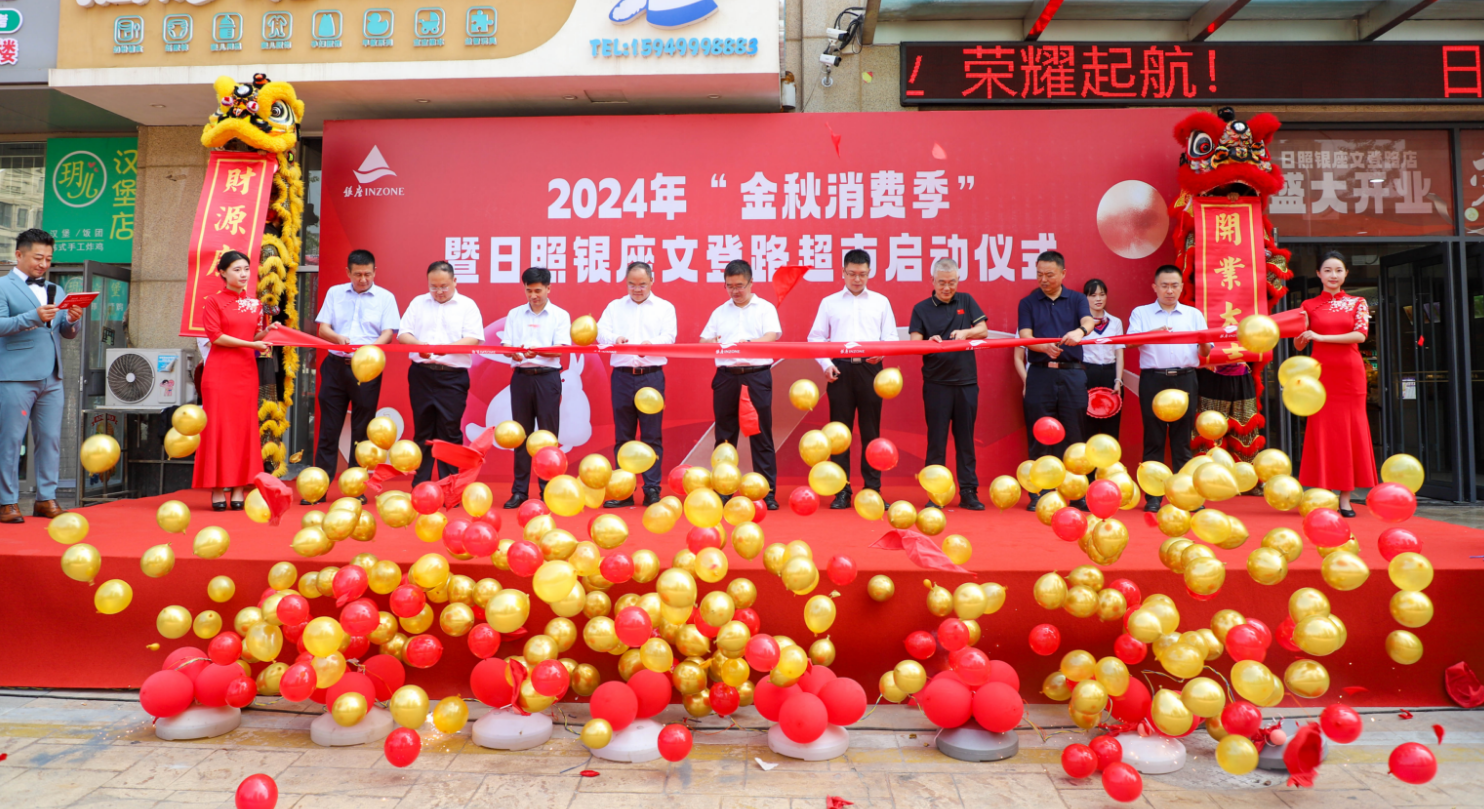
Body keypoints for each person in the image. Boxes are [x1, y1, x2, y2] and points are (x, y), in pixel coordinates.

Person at [807, 249, 899, 509]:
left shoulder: (881, 302)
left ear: (869, 273)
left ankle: (873, 489)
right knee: (839, 434)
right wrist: (826, 364)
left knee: (871, 432)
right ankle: (841, 491)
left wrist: (881, 352)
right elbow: (815, 338)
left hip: (871, 370)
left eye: (862, 274)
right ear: (843, 273)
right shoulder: (829, 303)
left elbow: (891, 337)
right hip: (840, 371)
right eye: (852, 274)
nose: (857, 279)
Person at [0, 229, 81, 523]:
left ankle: (46, 498)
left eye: (48, 259)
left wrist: (72, 321)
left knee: (50, 439)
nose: (43, 264)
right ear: (18, 255)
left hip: (52, 375)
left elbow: (64, 332)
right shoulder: (3, 286)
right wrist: (33, 316)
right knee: (10, 440)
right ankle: (6, 501)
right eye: (38, 258)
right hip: (15, 375)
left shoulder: (56, 289)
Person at [309, 249, 399, 499]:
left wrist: (370, 350)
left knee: (361, 431)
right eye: (357, 274)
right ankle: (317, 488)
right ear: (348, 272)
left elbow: (388, 333)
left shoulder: (385, 297)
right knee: (329, 429)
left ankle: (355, 488)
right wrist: (338, 338)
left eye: (367, 274)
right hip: (336, 366)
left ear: (375, 272)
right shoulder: (335, 293)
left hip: (367, 369)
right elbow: (323, 328)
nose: (363, 279)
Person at [195, 251, 279, 510]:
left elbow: (253, 335)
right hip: (219, 372)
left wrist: (267, 331)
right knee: (218, 428)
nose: (243, 274)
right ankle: (217, 489)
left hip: (246, 372)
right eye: (236, 269)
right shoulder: (213, 301)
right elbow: (216, 337)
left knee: (244, 428)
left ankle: (240, 488)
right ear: (222, 273)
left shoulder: (254, 304)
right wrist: (252, 344)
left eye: (246, 269)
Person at [1295, 251, 1376, 516]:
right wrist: (1300, 340)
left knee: (1349, 431)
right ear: (1318, 274)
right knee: (1324, 431)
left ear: (1346, 274)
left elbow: (1360, 335)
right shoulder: (1308, 305)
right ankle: (1323, 493)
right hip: (1320, 375)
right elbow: (1299, 342)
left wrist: (1320, 337)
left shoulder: (1357, 302)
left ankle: (1345, 497)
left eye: (1338, 270)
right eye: (1328, 270)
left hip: (1349, 375)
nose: (1333, 275)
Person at [1128, 265, 1212, 512]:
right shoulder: (1141, 313)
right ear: (1155, 287)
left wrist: (1204, 343)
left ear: (1181, 287)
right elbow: (1130, 343)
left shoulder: (1193, 314)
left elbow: (1205, 351)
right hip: (1154, 380)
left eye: (1174, 285)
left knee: (1182, 441)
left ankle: (1185, 496)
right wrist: (1154, 333)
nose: (1169, 290)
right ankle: (1153, 497)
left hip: (1185, 379)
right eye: (1164, 285)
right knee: (1153, 439)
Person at [700, 260, 782, 510]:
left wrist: (747, 344)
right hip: (726, 376)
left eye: (740, 286)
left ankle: (766, 492)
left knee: (761, 434)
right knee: (724, 435)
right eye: (730, 286)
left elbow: (771, 336)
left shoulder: (765, 308)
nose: (735, 291)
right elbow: (704, 342)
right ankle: (723, 489)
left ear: (751, 282)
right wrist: (717, 343)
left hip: (756, 376)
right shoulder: (719, 312)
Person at [1017, 250, 1095, 511]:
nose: (1044, 279)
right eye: (1039, 274)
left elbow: (1088, 321)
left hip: (1072, 373)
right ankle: (1040, 491)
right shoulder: (1028, 302)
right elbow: (1026, 336)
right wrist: (1043, 347)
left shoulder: (1077, 299)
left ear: (1063, 273)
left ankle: (1077, 493)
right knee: (1040, 432)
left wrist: (1080, 331)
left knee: (1075, 434)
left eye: (1049, 274)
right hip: (1040, 374)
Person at [909, 258, 988, 511]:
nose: (947, 287)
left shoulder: (966, 300)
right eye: (941, 282)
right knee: (936, 441)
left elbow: (983, 330)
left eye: (951, 282)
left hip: (966, 383)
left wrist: (966, 333)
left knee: (966, 440)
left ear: (958, 280)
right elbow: (914, 343)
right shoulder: (921, 308)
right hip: (937, 384)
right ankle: (935, 494)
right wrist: (928, 342)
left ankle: (968, 491)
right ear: (932, 281)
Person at [397, 261, 485, 486]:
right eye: (433, 287)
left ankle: (449, 487)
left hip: (452, 377)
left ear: (454, 281)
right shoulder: (418, 303)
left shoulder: (467, 305)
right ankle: (421, 486)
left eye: (444, 286)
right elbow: (403, 334)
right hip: (422, 374)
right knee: (423, 430)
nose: (439, 291)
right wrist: (419, 345)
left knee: (450, 431)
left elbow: (473, 338)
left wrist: (449, 348)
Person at [598, 261, 675, 508]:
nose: (637, 289)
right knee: (624, 436)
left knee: (652, 435)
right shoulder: (614, 307)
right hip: (622, 376)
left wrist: (651, 344)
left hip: (651, 376)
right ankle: (623, 490)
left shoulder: (665, 307)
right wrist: (615, 339)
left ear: (652, 281)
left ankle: (652, 489)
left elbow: (669, 336)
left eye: (642, 284)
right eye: (632, 284)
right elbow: (600, 332)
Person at [502, 267, 572, 508]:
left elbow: (560, 349)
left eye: (538, 290)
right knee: (520, 435)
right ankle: (519, 491)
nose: (533, 295)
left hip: (547, 379)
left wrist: (538, 352)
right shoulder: (514, 314)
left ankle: (548, 491)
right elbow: (507, 346)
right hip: (521, 378)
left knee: (548, 436)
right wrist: (515, 353)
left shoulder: (560, 315)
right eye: (529, 290)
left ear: (548, 288)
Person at [1081, 278, 1125, 439]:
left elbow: (1119, 353)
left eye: (1102, 294)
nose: (1098, 299)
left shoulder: (1115, 322)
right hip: (1087, 374)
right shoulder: (1079, 324)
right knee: (1087, 427)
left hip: (1110, 374)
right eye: (1093, 295)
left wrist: (1118, 380)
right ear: (1085, 298)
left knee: (1111, 426)